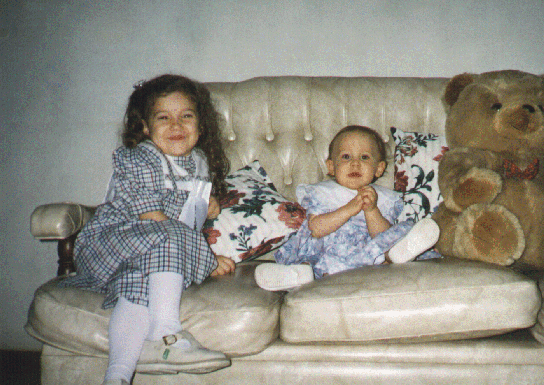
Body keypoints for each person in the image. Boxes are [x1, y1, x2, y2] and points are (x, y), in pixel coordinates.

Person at [61, 74, 236, 385]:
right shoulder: (141, 157)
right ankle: (166, 332)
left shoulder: (198, 162)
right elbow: (154, 220)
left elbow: (183, 224)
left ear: (200, 126)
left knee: (139, 287)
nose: (176, 125)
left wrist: (203, 204)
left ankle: (117, 376)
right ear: (145, 127)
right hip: (109, 243)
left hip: (145, 254)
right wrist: (206, 259)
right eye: (163, 117)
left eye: (186, 116)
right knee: (166, 237)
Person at [254, 125, 440, 291]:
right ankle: (298, 274)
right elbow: (315, 229)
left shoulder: (384, 198)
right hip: (331, 250)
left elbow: (383, 235)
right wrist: (349, 209)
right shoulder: (322, 192)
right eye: (346, 157)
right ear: (331, 166)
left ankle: (397, 253)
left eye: (364, 157)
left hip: (370, 252)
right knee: (311, 255)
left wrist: (371, 211)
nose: (355, 163)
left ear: (379, 168)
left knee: (401, 231)